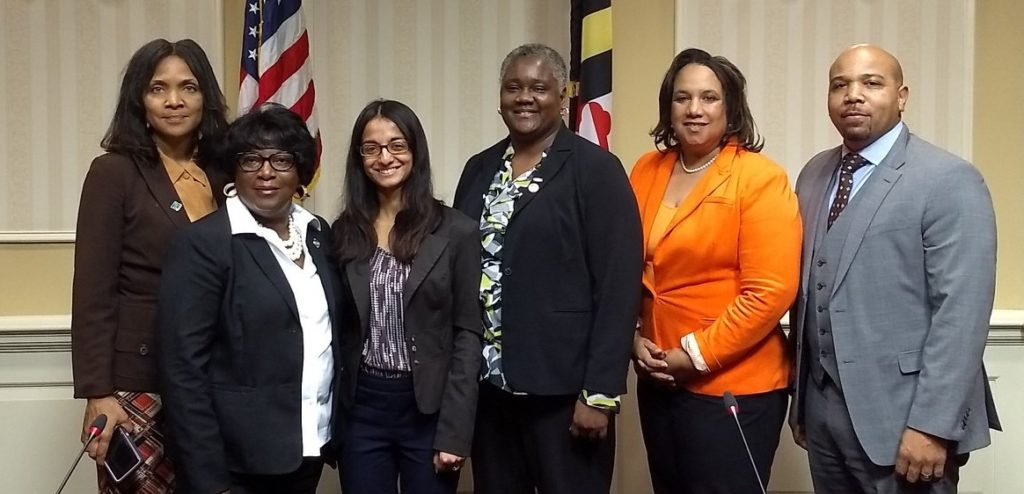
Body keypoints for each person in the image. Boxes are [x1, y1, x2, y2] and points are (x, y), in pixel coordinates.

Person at [789, 44, 1000, 493]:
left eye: (871, 83)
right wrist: (803, 406)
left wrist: (932, 426)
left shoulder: (948, 179)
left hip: (907, 421)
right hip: (823, 414)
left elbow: (961, 315)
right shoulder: (813, 175)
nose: (853, 95)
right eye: (840, 85)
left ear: (901, 96)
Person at [452, 43, 643, 494]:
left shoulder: (596, 169)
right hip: (490, 393)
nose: (525, 97)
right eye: (513, 87)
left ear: (563, 96)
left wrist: (598, 394)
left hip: (565, 394)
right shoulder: (478, 170)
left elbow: (618, 286)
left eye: (539, 87)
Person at [628, 47, 801, 493]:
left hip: (734, 386)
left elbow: (770, 291)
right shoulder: (646, 170)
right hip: (658, 379)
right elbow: (623, 266)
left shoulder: (760, 178)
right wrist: (632, 338)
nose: (694, 110)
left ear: (731, 108)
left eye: (709, 98)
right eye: (682, 98)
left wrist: (695, 356)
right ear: (669, 106)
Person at [70, 38, 228, 493]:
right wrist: (100, 394)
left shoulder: (226, 175)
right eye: (159, 88)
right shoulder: (114, 173)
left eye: (188, 87)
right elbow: (93, 293)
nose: (174, 100)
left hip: (214, 378)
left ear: (206, 98)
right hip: (137, 385)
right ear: (139, 99)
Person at [158, 103, 342, 493]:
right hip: (235, 466)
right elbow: (182, 372)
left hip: (307, 449)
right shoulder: (204, 244)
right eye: (251, 160)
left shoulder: (319, 233)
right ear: (234, 169)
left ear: (301, 172)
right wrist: (209, 479)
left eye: (281, 160)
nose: (266, 172)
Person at [331, 99, 483, 493]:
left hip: (427, 411)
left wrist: (455, 432)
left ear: (415, 150)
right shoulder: (343, 231)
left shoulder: (456, 232)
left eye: (397, 145)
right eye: (372, 148)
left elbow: (468, 335)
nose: (385, 157)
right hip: (363, 408)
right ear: (359, 157)